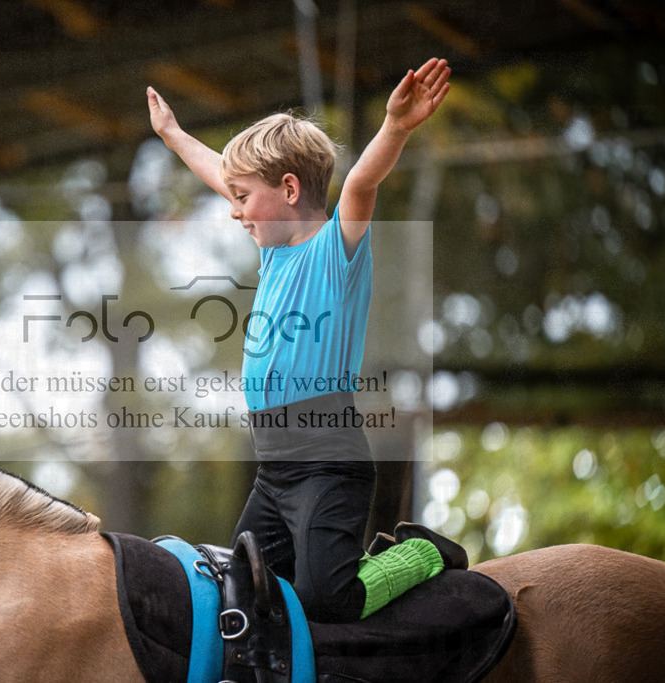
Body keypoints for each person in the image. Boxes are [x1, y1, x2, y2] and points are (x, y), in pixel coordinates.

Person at [147, 58, 465, 623]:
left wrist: (395, 126)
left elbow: (363, 181)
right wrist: (174, 136)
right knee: (239, 591)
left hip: (328, 465)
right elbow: (220, 170)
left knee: (328, 597)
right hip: (275, 472)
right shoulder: (272, 254)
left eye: (242, 197)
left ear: (289, 189)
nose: (233, 209)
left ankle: (422, 552)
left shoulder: (334, 252)